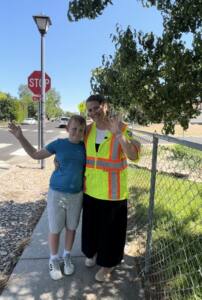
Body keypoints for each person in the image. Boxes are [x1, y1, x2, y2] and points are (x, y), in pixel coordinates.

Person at [8, 115, 86, 281]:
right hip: (57, 193)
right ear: (67, 129)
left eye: (81, 130)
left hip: (77, 195)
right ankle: (53, 259)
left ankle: (66, 256)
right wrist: (20, 136)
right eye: (74, 129)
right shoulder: (59, 144)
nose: (77, 133)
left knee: (72, 227)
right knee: (55, 228)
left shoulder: (85, 147)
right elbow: (36, 155)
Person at [82, 94, 141, 282]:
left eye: (96, 108)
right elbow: (75, 149)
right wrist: (60, 160)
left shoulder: (123, 128)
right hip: (91, 190)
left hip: (113, 193)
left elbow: (133, 155)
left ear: (105, 106)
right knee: (91, 229)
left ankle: (108, 266)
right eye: (89, 110)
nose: (93, 113)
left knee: (111, 233)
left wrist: (119, 135)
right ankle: (92, 253)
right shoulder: (88, 130)